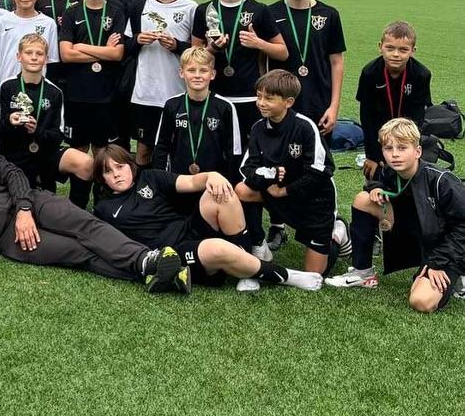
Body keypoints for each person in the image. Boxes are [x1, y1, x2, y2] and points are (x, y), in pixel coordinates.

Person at [0, 112, 189, 293]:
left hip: (30, 202)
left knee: (85, 225)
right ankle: (156, 274)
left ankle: (145, 259)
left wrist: (23, 209)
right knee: (78, 252)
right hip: (4, 236)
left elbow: (12, 174)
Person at [91, 144, 322, 291]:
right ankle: (287, 276)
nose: (117, 174)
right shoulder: (104, 209)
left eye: (120, 167)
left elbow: (192, 181)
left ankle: (246, 273)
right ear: (102, 178)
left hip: (189, 229)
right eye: (108, 171)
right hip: (173, 253)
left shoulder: (149, 177)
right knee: (217, 248)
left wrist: (213, 176)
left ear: (130, 166)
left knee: (220, 193)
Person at [326, 118, 465, 312]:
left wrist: (437, 263)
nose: (395, 154)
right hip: (421, 234)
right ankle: (363, 272)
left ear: (418, 151)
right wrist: (376, 188)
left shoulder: (442, 181)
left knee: (421, 301)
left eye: (402, 148)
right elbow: (385, 184)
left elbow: (462, 228)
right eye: (388, 148)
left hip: (448, 248)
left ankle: (457, 276)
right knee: (363, 199)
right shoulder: (391, 171)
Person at [235, 70, 344, 290]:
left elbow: (321, 171)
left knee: (314, 275)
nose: (261, 103)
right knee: (242, 189)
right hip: (278, 195)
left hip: (314, 202)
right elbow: (247, 168)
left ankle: (339, 233)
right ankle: (258, 244)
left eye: (269, 98)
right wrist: (269, 177)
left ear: (288, 102)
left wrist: (284, 190)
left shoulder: (305, 127)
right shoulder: (258, 128)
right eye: (259, 96)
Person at [191, 0, 288, 152]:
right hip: (214, 95)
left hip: (250, 96)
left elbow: (282, 52)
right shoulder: (204, 11)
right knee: (216, 151)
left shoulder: (259, 10)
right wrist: (211, 49)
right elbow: (194, 56)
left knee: (248, 151)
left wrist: (258, 43)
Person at [57, 0, 127, 207]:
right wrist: (102, 50)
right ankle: (77, 205)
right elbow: (66, 55)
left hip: (106, 96)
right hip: (77, 95)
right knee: (79, 150)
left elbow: (117, 54)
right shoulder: (72, 12)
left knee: (102, 152)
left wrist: (83, 46)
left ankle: (102, 203)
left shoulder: (116, 12)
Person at [123, 0, 197, 166]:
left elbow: (198, 51)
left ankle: (172, 186)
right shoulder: (139, 6)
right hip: (145, 93)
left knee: (177, 147)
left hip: (177, 91)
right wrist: (138, 39)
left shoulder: (190, 7)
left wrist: (176, 46)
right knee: (144, 149)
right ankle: (143, 187)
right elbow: (125, 46)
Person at [0, 34, 92, 192]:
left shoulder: (55, 92)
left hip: (44, 150)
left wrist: (37, 131)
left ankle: (75, 206)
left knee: (85, 162)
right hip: (15, 152)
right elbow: (0, 129)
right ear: (19, 57)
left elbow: (58, 135)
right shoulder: (7, 86)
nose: (34, 57)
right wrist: (10, 121)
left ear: (46, 59)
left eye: (39, 54)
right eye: (29, 53)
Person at [267, 0, 346, 133]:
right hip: (280, 101)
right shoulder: (270, 14)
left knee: (316, 150)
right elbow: (262, 60)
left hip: (319, 101)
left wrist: (334, 107)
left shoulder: (329, 14)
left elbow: (337, 62)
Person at [356, 21, 432, 180]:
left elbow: (418, 118)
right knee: (375, 176)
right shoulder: (369, 73)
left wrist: (409, 150)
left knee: (411, 176)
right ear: (380, 47)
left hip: (407, 132)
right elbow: (367, 117)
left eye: (403, 50)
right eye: (390, 48)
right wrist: (372, 155)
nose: (396, 54)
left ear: (413, 51)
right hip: (378, 132)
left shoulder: (421, 75)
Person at [152, 48, 241, 179]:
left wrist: (229, 182)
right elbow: (161, 146)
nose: (197, 75)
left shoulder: (225, 107)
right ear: (182, 73)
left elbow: (234, 150)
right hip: (179, 180)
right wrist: (161, 180)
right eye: (191, 70)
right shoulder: (172, 105)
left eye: (203, 70)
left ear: (212, 74)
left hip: (214, 181)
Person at [0, 0, 59, 96]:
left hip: (38, 91)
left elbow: (52, 63)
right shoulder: (2, 22)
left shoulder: (48, 24)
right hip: (7, 90)